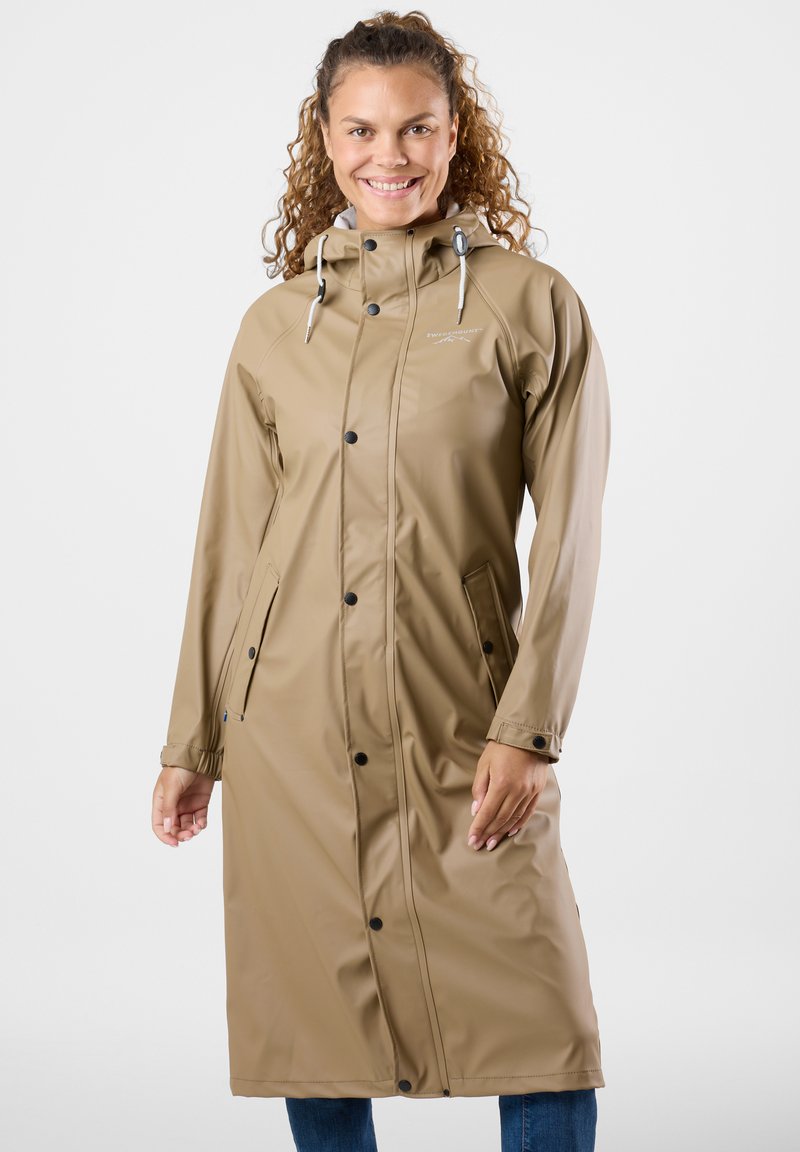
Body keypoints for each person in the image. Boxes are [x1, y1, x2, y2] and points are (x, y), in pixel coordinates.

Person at [151, 10, 610, 1152]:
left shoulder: (529, 307)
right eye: (360, 129)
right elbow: (230, 545)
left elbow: (570, 535)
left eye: (415, 128)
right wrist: (192, 740)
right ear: (324, 136)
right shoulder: (275, 328)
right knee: (317, 1026)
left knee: (535, 1022)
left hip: (463, 719)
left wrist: (530, 728)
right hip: (292, 735)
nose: (388, 155)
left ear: (457, 136)